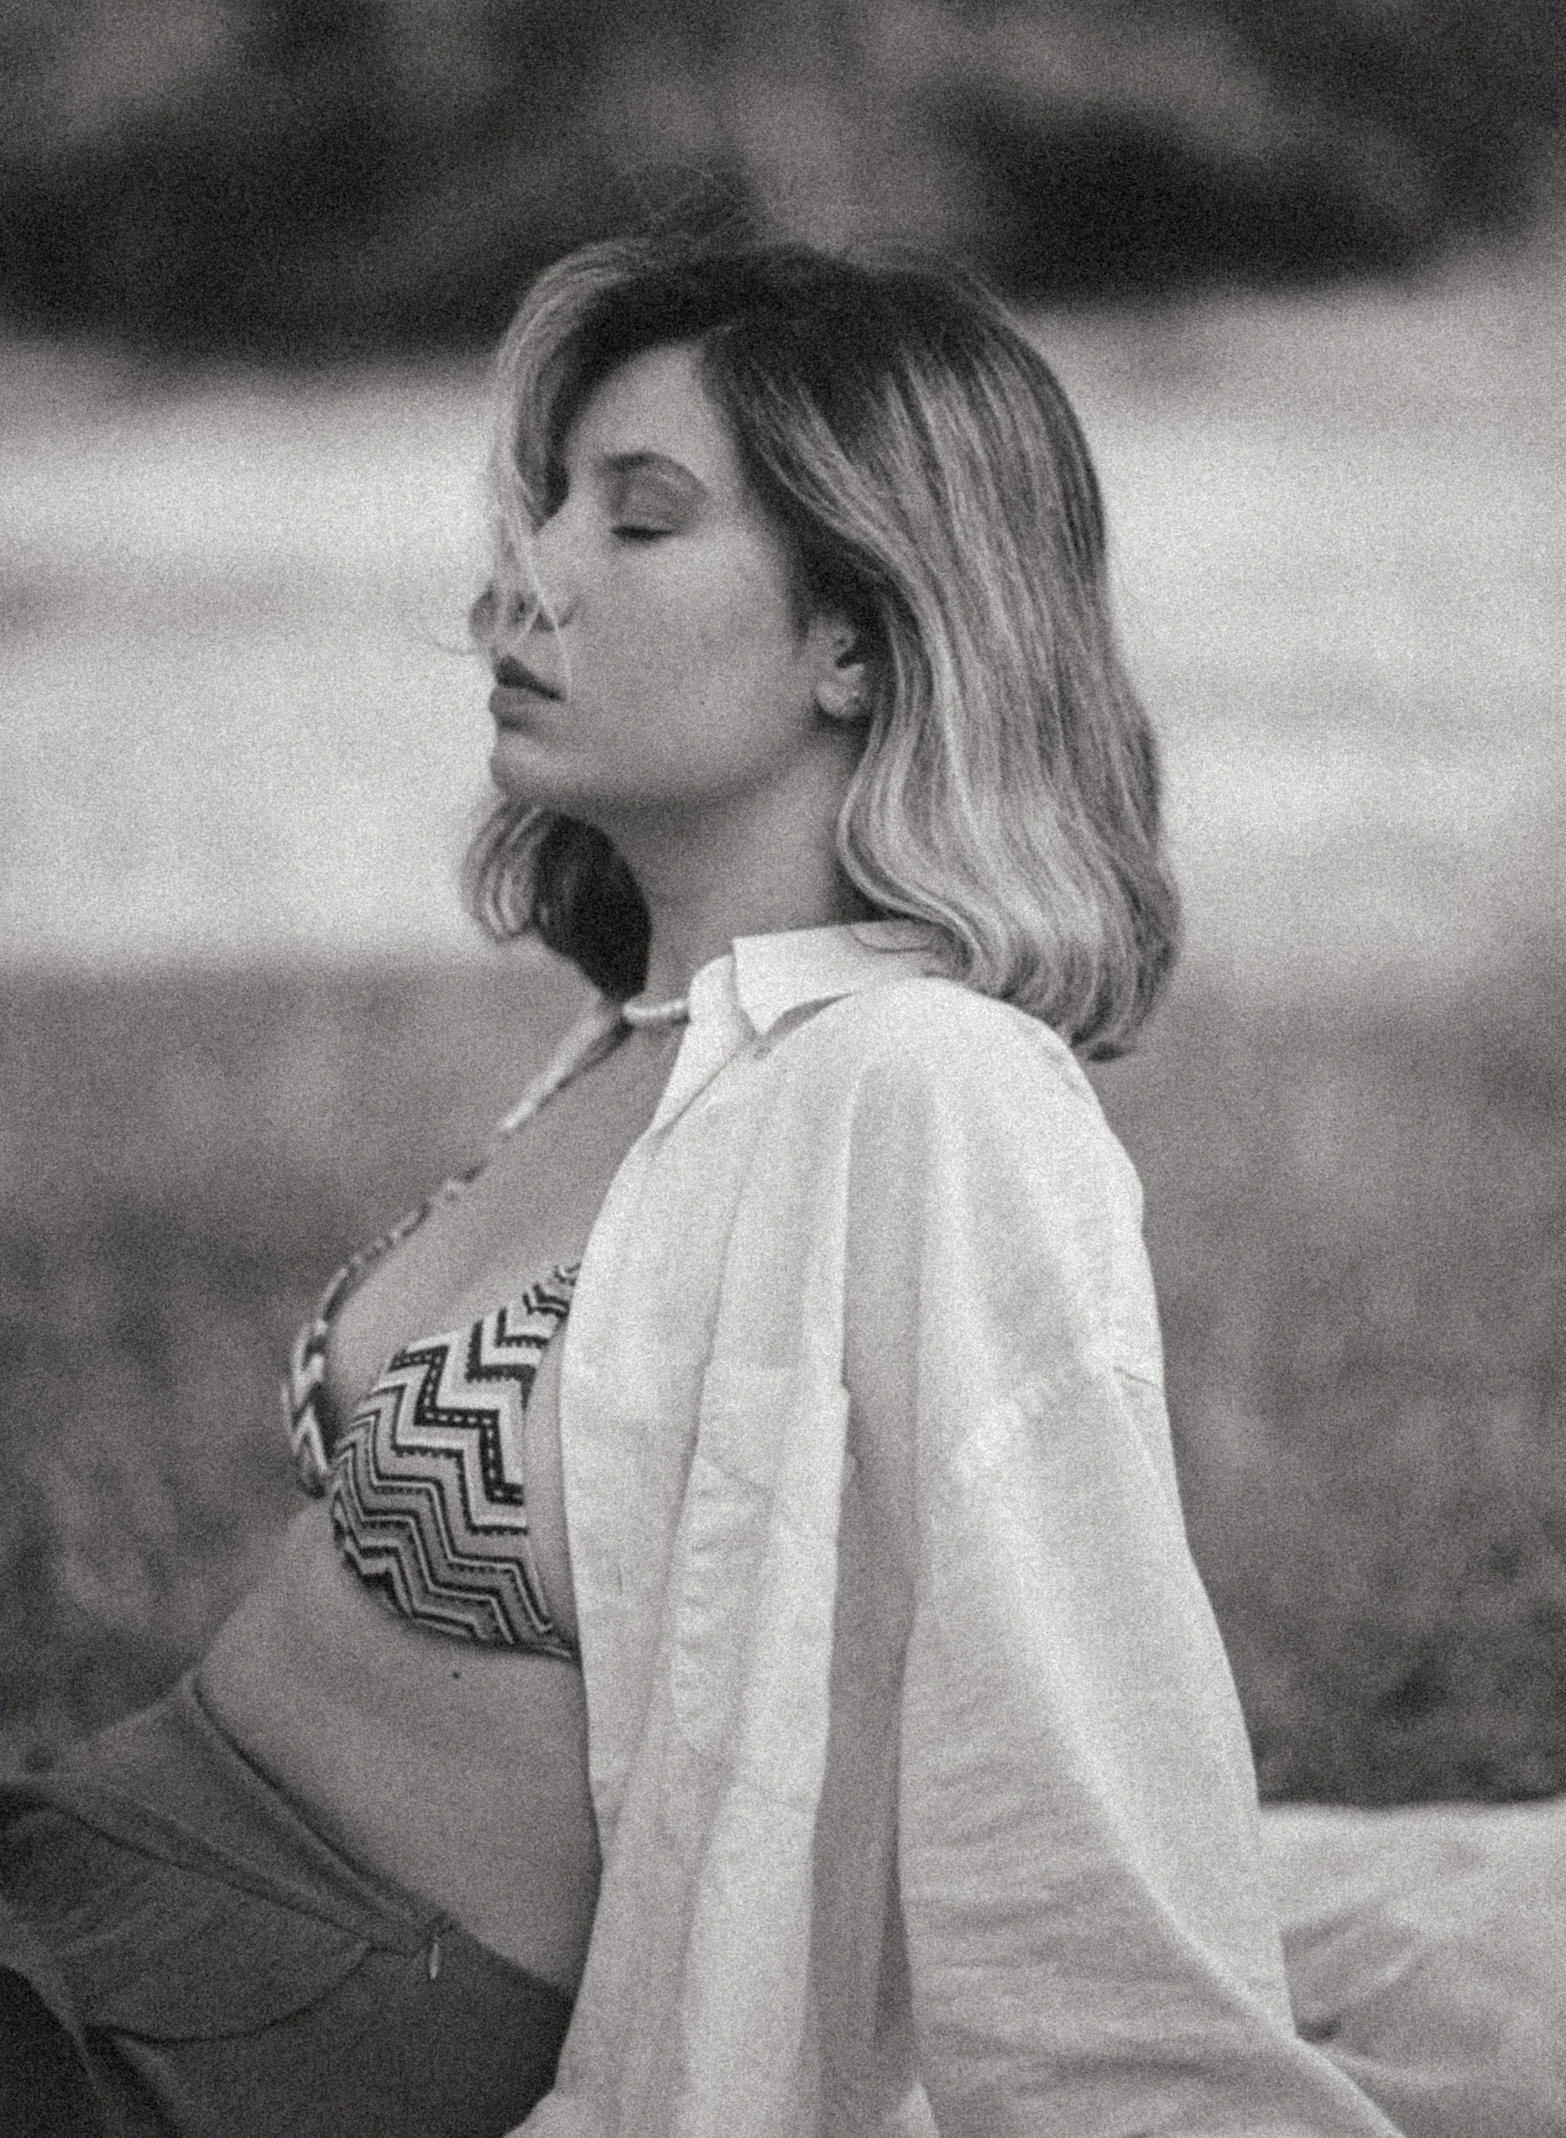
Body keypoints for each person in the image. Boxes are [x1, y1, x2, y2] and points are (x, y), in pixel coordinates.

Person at [0, 235, 1404, 2138]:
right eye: (549, 504)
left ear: (857, 635)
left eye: (639, 523)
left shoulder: (928, 1087)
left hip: (291, 2012)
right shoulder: (651, 1041)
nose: (530, 575)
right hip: (96, 1855)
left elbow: (1063, 1694)